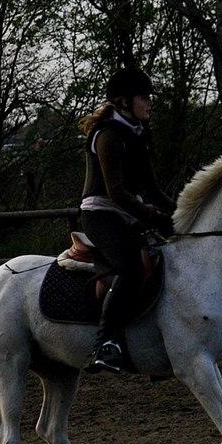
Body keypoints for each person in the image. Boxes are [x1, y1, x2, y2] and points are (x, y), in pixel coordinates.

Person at [78, 68, 175, 374]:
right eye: (144, 97)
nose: (150, 103)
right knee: (132, 267)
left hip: (126, 213)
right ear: (124, 101)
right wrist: (152, 215)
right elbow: (116, 192)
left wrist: (181, 215)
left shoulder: (137, 133)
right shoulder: (107, 135)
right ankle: (105, 343)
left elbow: (152, 190)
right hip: (100, 214)